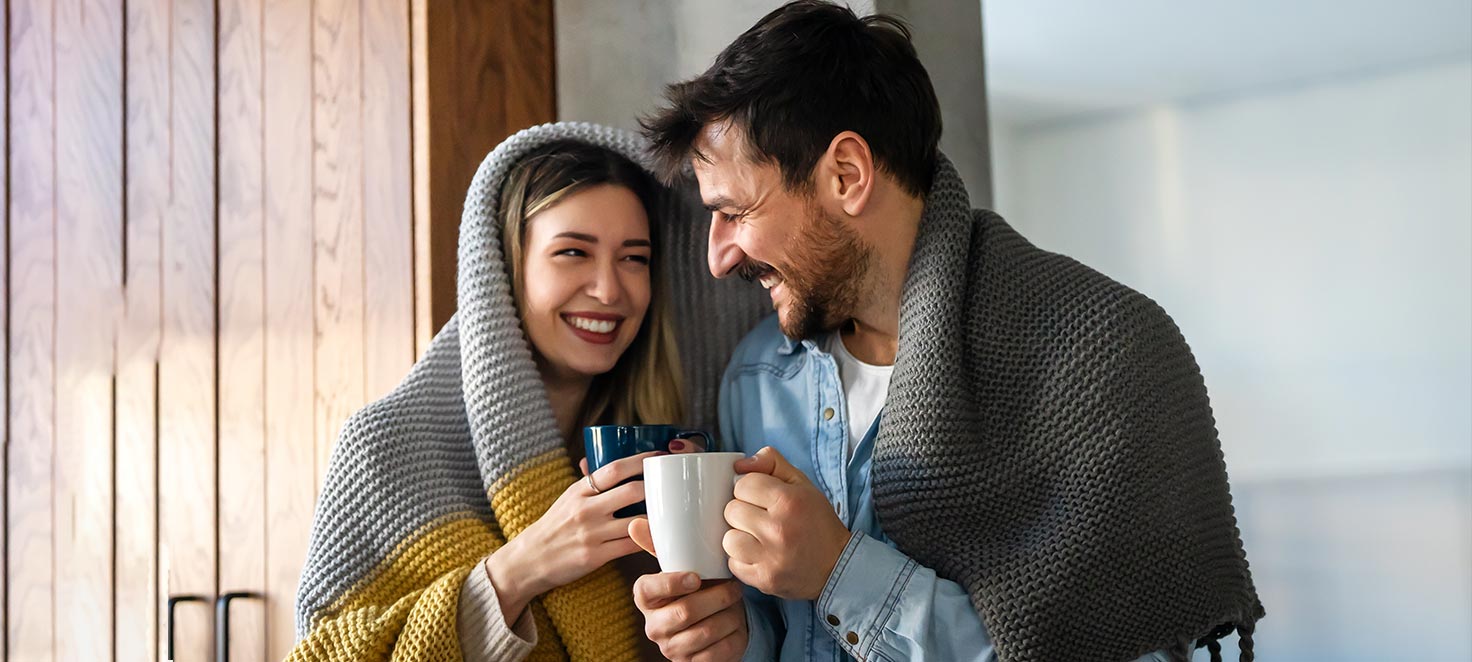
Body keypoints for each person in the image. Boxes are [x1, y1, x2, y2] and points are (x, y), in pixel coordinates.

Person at [627, 2, 1264, 662]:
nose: (717, 257)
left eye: (735, 211)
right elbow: (783, 632)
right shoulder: (758, 376)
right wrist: (735, 640)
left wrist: (841, 573)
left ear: (847, 174)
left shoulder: (1108, 356)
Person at [288, 132, 761, 661]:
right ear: (506, 266)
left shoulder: (674, 444)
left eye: (634, 258)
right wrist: (522, 568)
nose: (609, 289)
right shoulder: (384, 449)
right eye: (573, 252)